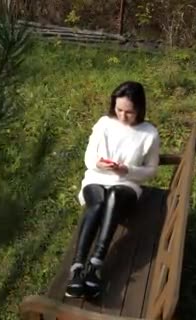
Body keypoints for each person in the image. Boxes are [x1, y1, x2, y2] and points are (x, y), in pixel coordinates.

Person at [65, 81, 161, 299]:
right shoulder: (104, 124)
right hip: (97, 177)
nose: (123, 116)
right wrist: (99, 164)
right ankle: (78, 267)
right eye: (119, 110)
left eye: (129, 112)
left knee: (114, 196)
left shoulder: (149, 133)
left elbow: (151, 170)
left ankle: (95, 265)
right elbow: (89, 158)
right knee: (98, 202)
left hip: (126, 183)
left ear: (140, 109)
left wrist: (127, 169)